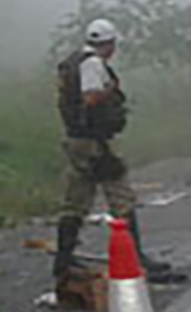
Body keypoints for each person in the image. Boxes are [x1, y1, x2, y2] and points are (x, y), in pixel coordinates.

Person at [54, 19, 171, 279]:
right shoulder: (93, 64)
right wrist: (109, 91)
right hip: (97, 142)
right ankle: (136, 257)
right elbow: (91, 97)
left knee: (75, 201)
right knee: (121, 199)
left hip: (77, 140)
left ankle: (64, 262)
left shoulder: (72, 61)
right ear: (109, 44)